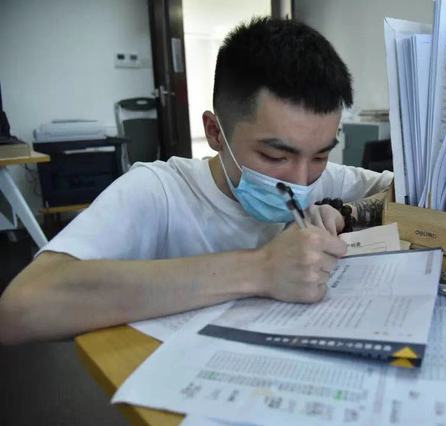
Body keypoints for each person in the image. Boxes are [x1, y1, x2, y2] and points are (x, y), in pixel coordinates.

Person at [0, 18, 393, 345]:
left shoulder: (323, 180)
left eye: (321, 155)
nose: (302, 181)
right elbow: (20, 307)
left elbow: (404, 192)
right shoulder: (159, 191)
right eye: (276, 156)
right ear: (215, 132)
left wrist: (346, 211)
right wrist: (261, 269)